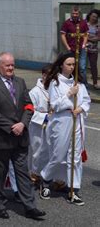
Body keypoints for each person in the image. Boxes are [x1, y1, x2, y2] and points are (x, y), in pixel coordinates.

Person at [0, 52, 46, 219]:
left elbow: (29, 105)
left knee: (23, 173)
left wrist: (23, 124)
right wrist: (11, 127)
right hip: (0, 138)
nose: (11, 68)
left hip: (20, 137)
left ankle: (30, 206)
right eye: (7, 65)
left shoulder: (20, 82)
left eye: (12, 65)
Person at [40, 52, 90, 205]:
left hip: (76, 119)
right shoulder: (55, 83)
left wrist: (81, 108)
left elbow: (86, 100)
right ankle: (45, 178)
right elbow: (55, 105)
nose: (71, 67)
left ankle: (73, 190)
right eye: (68, 64)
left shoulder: (78, 83)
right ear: (61, 65)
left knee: (74, 157)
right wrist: (69, 94)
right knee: (58, 155)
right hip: (61, 121)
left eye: (73, 64)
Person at [27, 65, 51, 184]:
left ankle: (48, 174)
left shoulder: (54, 89)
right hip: (38, 124)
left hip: (52, 122)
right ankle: (35, 173)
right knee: (37, 149)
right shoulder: (34, 91)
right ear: (43, 75)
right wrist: (44, 116)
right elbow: (30, 111)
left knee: (51, 149)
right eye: (49, 75)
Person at [60, 6, 88, 84]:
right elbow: (63, 35)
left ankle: (84, 85)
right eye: (73, 13)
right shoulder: (67, 23)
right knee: (71, 67)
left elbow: (86, 34)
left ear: (79, 14)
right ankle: (72, 83)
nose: (75, 15)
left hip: (81, 49)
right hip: (71, 48)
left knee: (82, 67)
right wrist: (67, 47)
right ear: (71, 13)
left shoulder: (83, 22)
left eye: (76, 13)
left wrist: (84, 45)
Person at [85, 10, 100, 89]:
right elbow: (82, 35)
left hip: (94, 50)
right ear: (89, 16)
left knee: (93, 66)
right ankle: (82, 82)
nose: (94, 18)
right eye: (93, 16)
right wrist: (92, 38)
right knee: (82, 66)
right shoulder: (85, 24)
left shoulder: (98, 26)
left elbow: (98, 38)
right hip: (85, 48)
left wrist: (88, 38)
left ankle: (95, 83)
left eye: (96, 17)